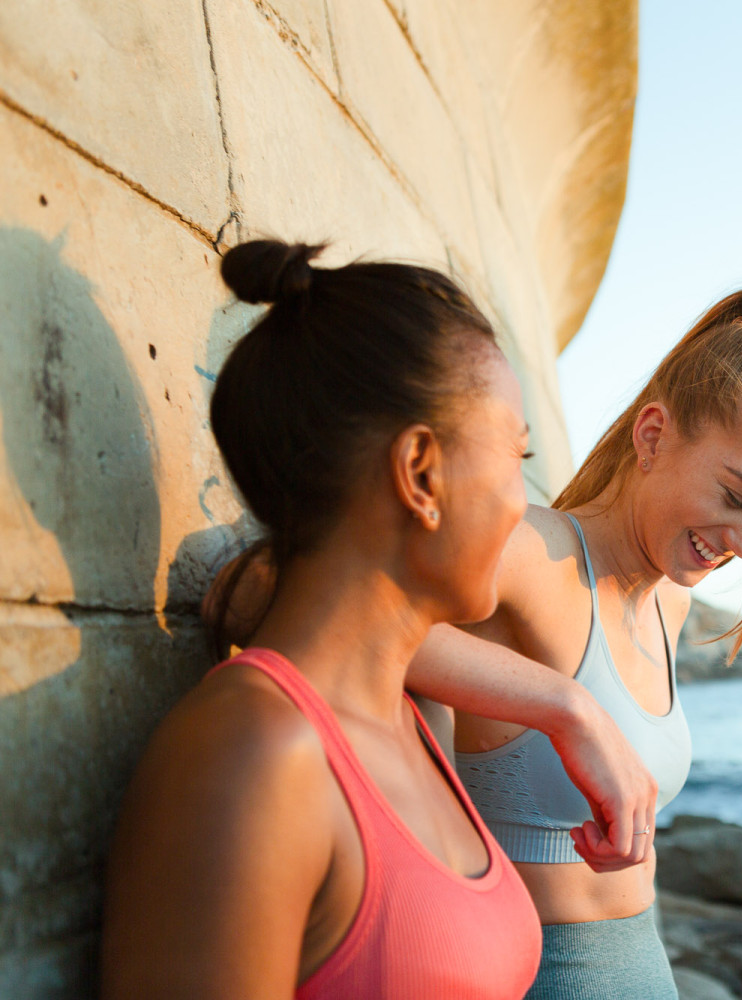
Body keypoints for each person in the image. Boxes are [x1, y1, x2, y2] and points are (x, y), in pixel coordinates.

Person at [101, 240, 548, 999]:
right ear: (420, 473)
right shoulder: (255, 753)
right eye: (515, 457)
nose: (522, 503)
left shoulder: (412, 724)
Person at [404, 287, 742, 999]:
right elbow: (314, 604)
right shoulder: (531, 551)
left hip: (645, 965)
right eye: (735, 496)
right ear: (654, 436)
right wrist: (566, 706)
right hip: (532, 973)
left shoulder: (672, 598)